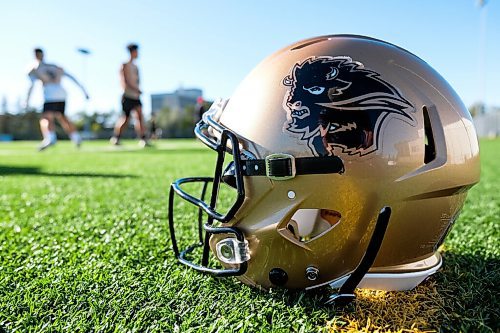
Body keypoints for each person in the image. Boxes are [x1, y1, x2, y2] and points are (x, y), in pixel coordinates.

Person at [26, 48, 88, 151]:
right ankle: (76, 137)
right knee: (62, 117)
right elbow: (73, 78)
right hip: (61, 94)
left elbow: (31, 85)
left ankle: (50, 138)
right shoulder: (55, 66)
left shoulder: (35, 69)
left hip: (50, 95)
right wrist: (84, 91)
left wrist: (27, 100)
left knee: (46, 118)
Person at [110, 43, 149, 147]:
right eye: (136, 51)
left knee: (140, 116)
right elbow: (124, 81)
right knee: (126, 118)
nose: (138, 54)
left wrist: (137, 91)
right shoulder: (124, 65)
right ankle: (116, 137)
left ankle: (143, 139)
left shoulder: (136, 67)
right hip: (127, 95)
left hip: (136, 96)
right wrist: (135, 89)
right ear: (132, 52)